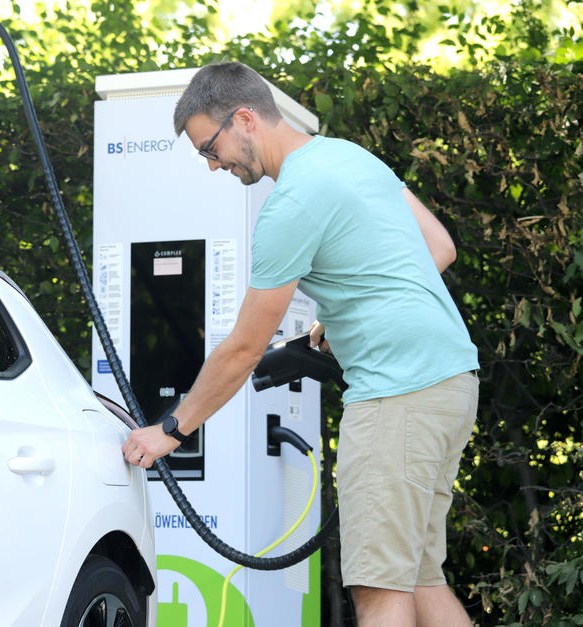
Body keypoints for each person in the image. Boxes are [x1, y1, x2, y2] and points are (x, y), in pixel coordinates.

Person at [121, 61, 480, 627]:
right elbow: (438, 247)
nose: (214, 166)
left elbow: (243, 348)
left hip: (396, 392)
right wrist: (348, 318)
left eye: (209, 149)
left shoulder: (291, 204)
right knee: (420, 578)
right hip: (450, 383)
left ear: (244, 119)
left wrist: (171, 430)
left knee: (379, 588)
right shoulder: (350, 157)